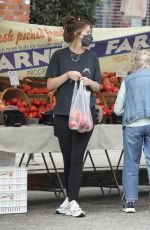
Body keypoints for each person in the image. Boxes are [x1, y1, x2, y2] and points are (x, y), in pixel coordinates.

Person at [45, 16, 101, 217]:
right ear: (77, 34)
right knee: (68, 159)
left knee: (77, 157)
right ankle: (68, 200)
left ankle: (74, 201)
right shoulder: (59, 56)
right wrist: (67, 75)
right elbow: (50, 85)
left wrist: (89, 83)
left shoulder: (92, 57)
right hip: (62, 115)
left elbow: (98, 85)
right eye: (87, 33)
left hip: (85, 116)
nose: (90, 36)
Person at [114, 49, 150, 213]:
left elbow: (117, 109)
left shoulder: (127, 80)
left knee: (131, 163)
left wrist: (127, 110)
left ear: (135, 63)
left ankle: (130, 203)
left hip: (132, 125)